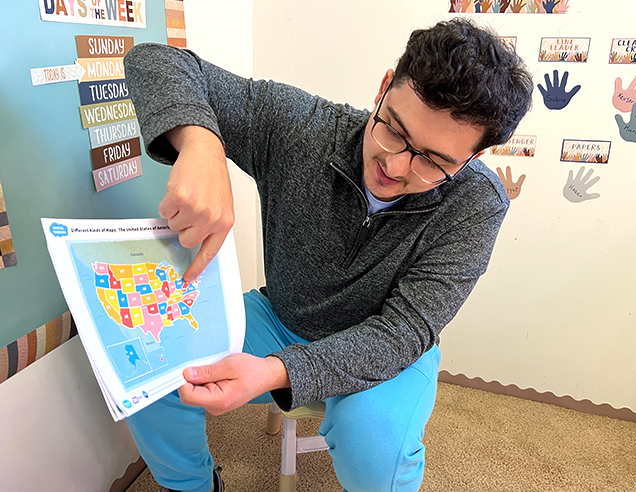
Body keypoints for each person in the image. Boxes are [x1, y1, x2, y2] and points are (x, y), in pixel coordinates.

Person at [123, 17, 533, 492]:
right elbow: (155, 60)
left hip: (388, 344)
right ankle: (193, 486)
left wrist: (276, 371)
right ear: (383, 88)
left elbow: (403, 332)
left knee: (374, 443)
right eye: (394, 132)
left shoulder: (477, 203)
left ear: (472, 159)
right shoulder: (302, 128)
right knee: (151, 371)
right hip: (281, 317)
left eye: (433, 161)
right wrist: (202, 146)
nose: (395, 167)